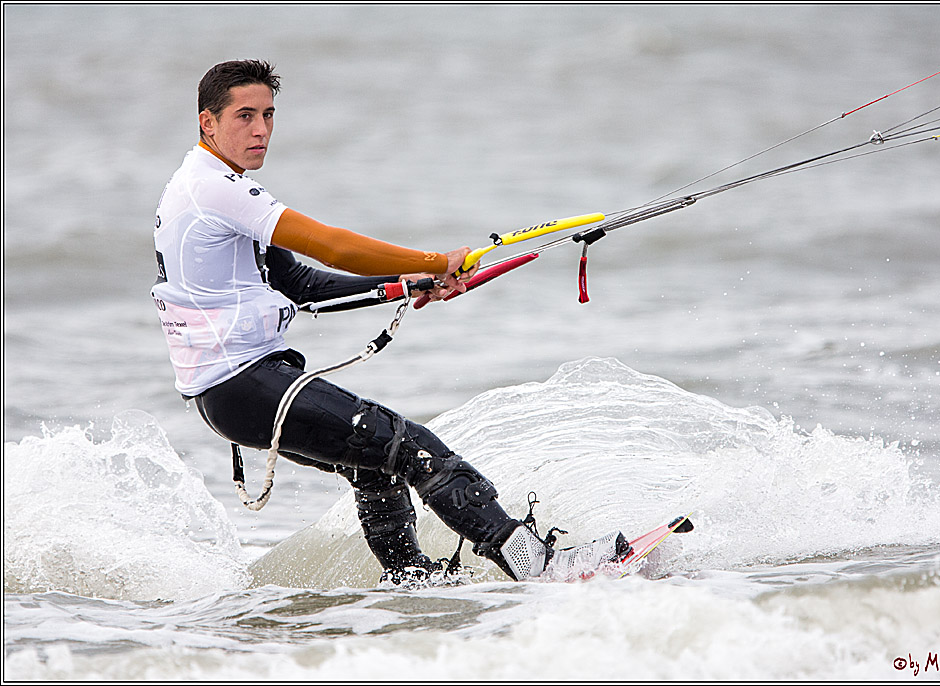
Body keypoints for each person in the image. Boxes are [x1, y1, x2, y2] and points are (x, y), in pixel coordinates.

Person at [150, 59, 628, 583]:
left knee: (376, 465)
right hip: (243, 383)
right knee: (413, 448)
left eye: (268, 114)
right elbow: (333, 247)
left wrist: (406, 286)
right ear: (208, 122)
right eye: (244, 116)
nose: (261, 129)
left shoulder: (211, 185)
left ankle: (413, 583)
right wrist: (431, 263)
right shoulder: (214, 188)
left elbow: (305, 286)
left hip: (234, 390)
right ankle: (539, 564)